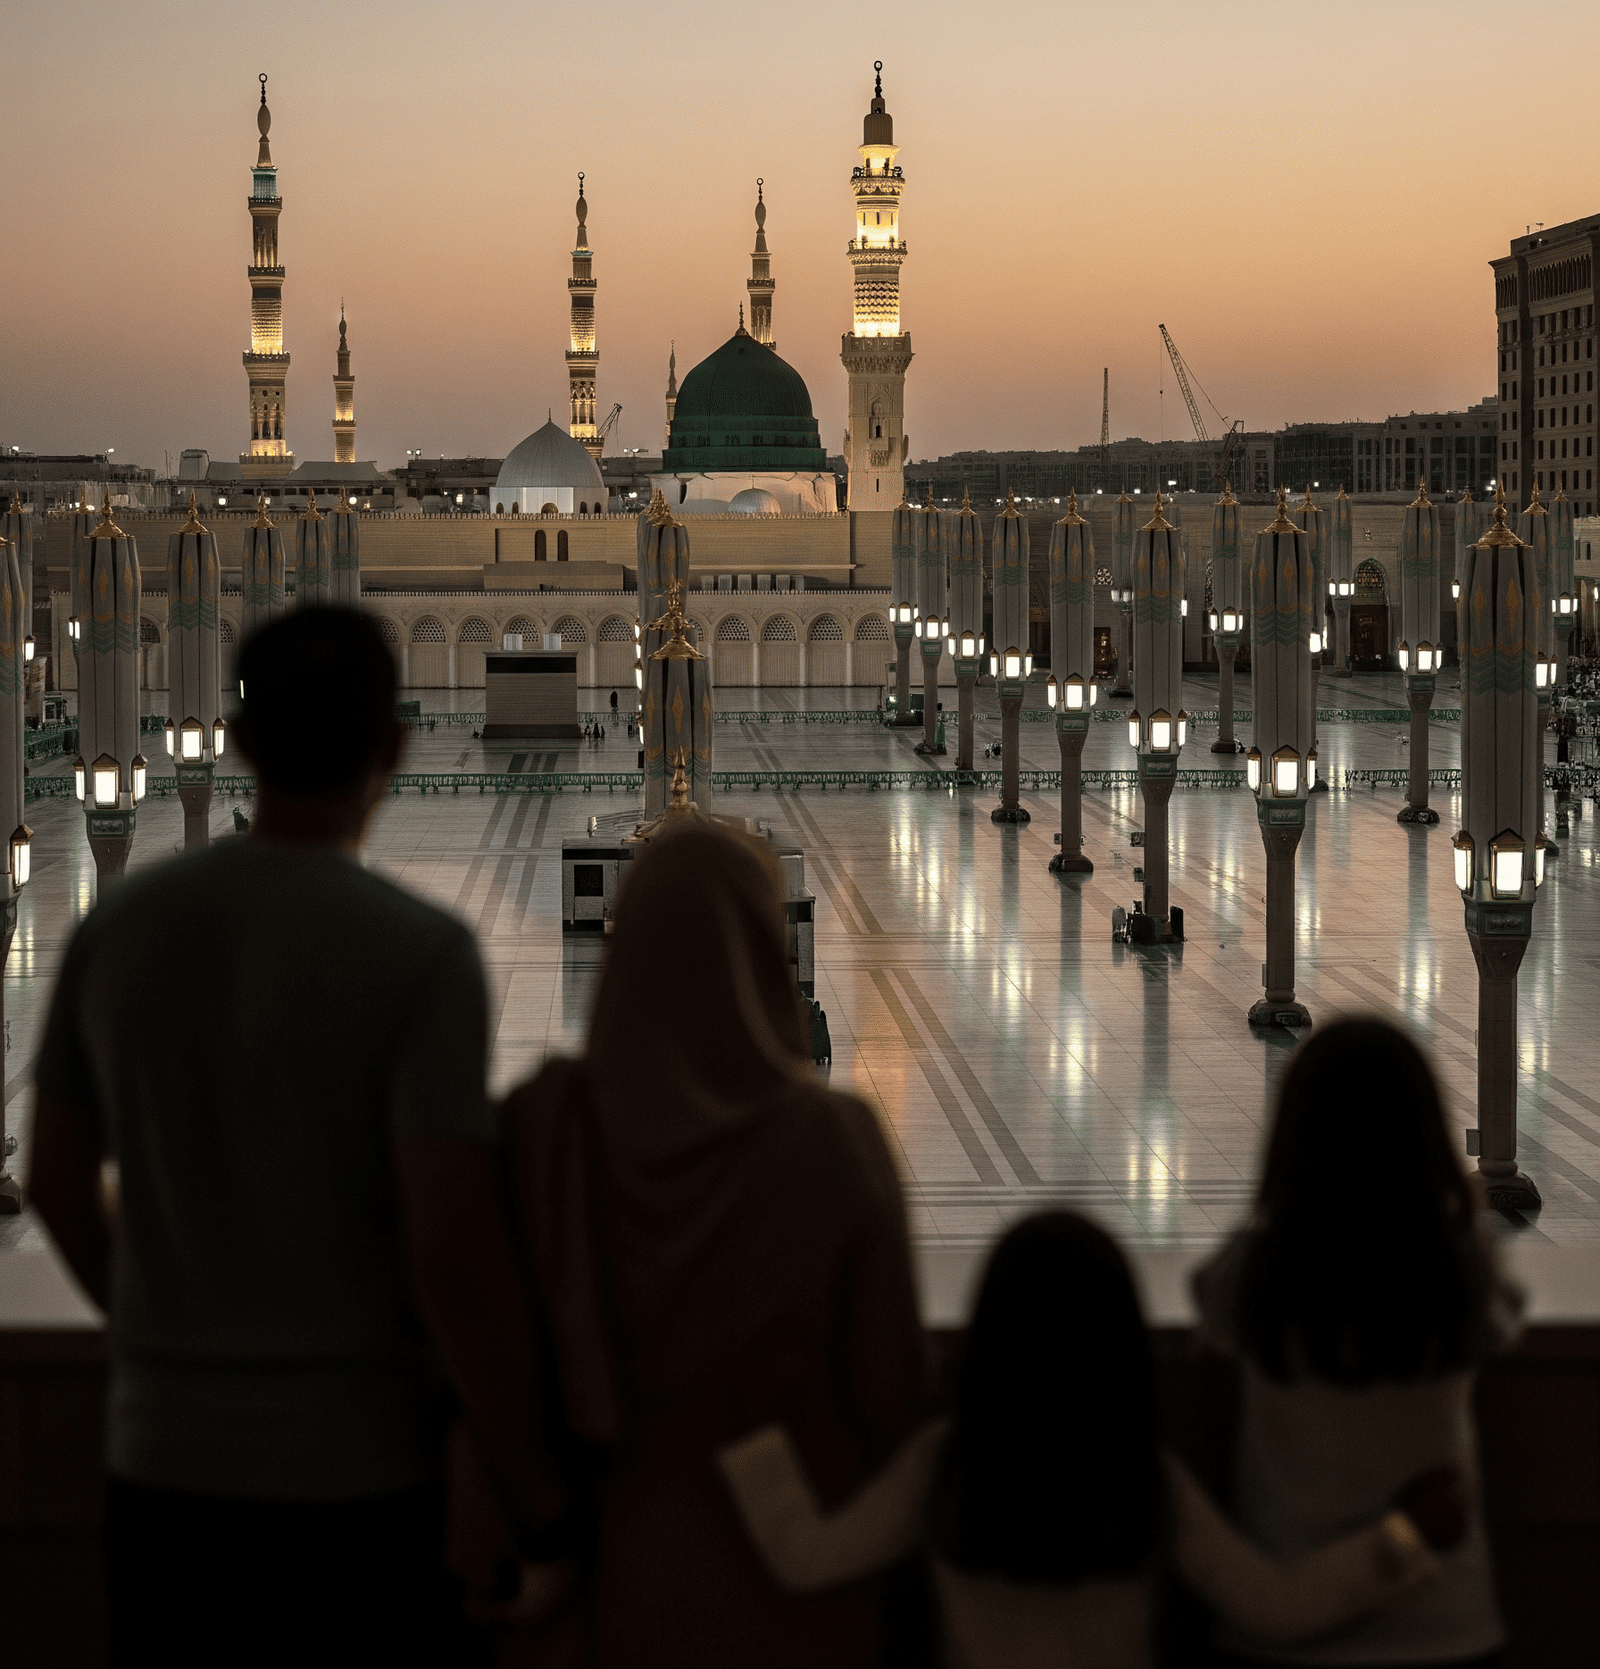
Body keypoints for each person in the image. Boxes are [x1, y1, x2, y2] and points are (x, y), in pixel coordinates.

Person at [30, 608, 556, 1668]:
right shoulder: (421, 954)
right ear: (394, 748)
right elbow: (451, 1251)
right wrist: (533, 1478)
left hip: (162, 1470)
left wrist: (163, 1325)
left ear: (234, 738)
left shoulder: (118, 929)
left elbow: (50, 1178)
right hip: (358, 1478)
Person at [501, 820, 931, 1668]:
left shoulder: (552, 1123)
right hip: (806, 1585)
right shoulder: (831, 1143)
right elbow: (893, 1394)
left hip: (624, 1569)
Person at [722, 1210, 1453, 1669]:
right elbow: (1277, 1603)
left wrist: (750, 1425)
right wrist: (1403, 1538)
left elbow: (807, 1557)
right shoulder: (1141, 1480)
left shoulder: (945, 1466)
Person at [1194, 1017, 1522, 1668]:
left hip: (1286, 1623)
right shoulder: (1460, 1269)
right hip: (1447, 1626)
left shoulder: (1256, 1270)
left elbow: (1211, 1312)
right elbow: (1503, 1324)